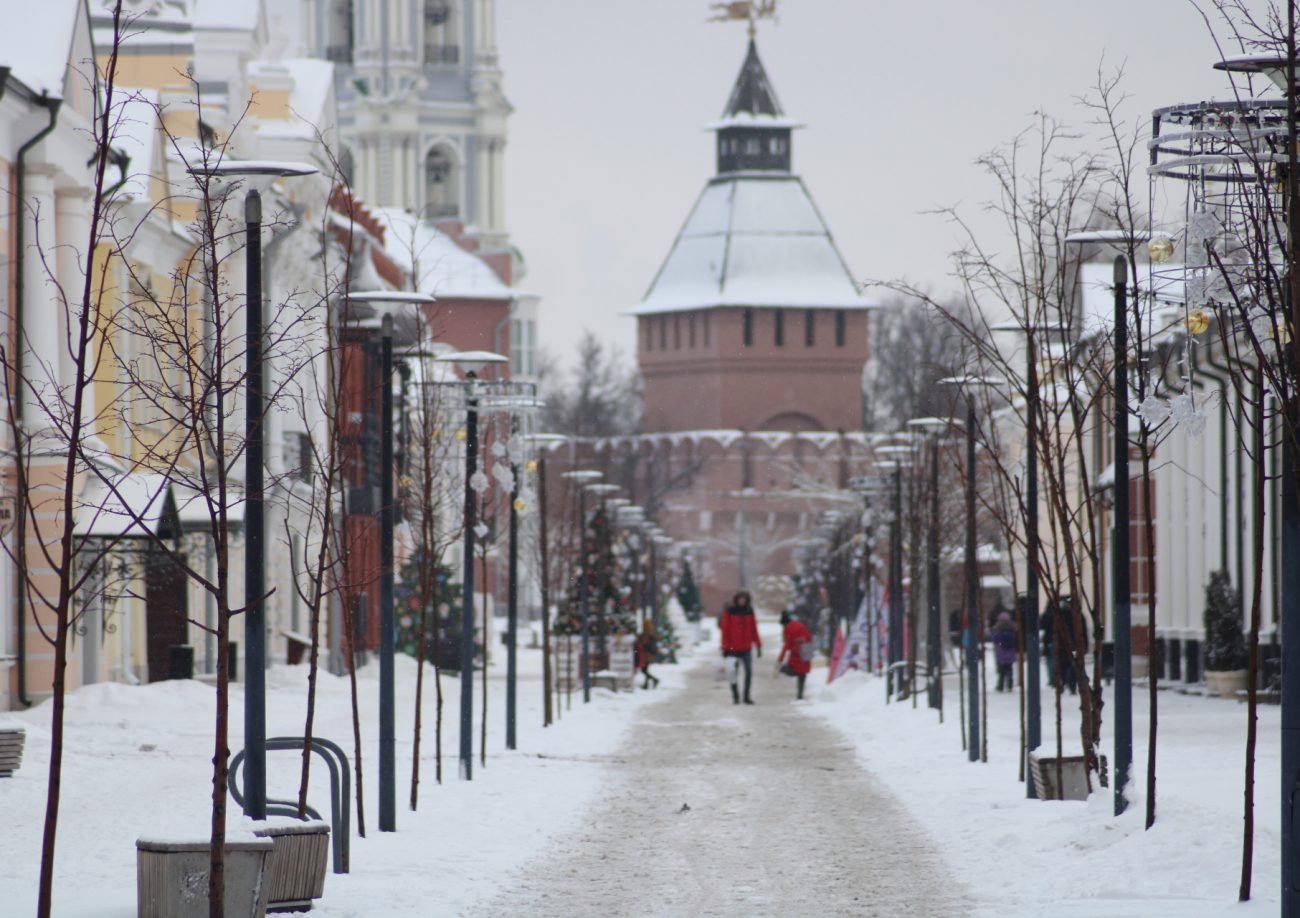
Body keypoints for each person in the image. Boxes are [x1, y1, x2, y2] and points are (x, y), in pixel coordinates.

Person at [719, 590, 762, 704]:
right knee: (733, 672)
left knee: (748, 671)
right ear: (736, 599)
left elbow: (754, 629)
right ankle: (735, 696)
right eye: (740, 599)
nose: (742, 601)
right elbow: (725, 631)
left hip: (746, 648)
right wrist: (725, 647)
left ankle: (746, 696)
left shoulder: (749, 611)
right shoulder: (729, 612)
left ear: (747, 600)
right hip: (732, 648)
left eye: (744, 599)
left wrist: (758, 645)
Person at [778, 610, 813, 700]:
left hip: (796, 653)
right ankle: (800, 693)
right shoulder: (798, 624)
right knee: (802, 673)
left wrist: (780, 659)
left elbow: (787, 645)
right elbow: (808, 636)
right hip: (806, 649)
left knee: (793, 670)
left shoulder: (788, 628)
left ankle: (800, 693)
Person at [991, 609, 1017, 692]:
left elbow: (995, 639)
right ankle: (1010, 685)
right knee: (1009, 669)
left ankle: (1000, 685)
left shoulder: (998, 628)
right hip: (1010, 651)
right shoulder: (1013, 627)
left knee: (1001, 670)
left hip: (1001, 651)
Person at [636, 621, 660, 689]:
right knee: (645, 670)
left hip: (646, 655)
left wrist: (649, 653)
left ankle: (654, 680)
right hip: (646, 655)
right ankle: (646, 684)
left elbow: (648, 645)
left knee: (644, 670)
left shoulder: (648, 635)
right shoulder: (650, 635)